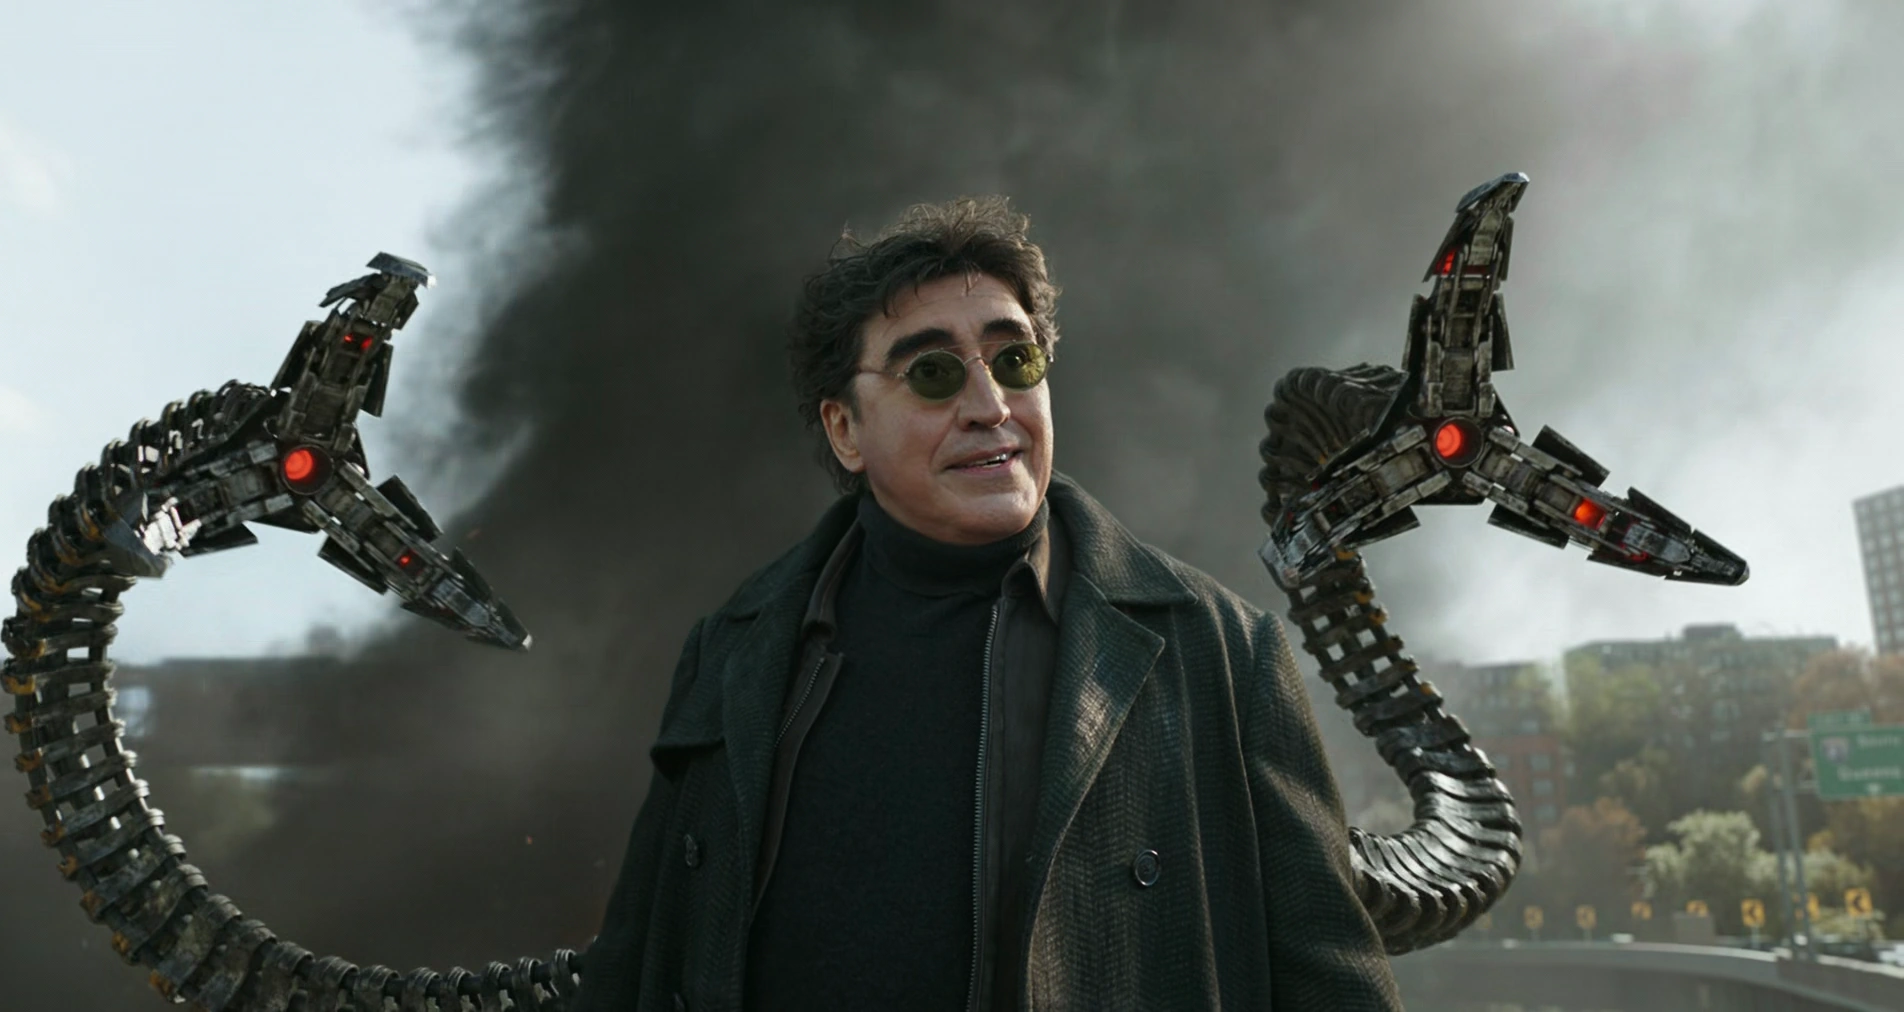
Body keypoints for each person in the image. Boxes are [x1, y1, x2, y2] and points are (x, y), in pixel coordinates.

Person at [570, 198, 1402, 1011]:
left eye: (1016, 362)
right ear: (845, 430)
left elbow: (1334, 982)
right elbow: (636, 964)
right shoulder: (734, 653)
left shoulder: (1221, 653)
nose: (990, 407)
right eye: (932, 373)